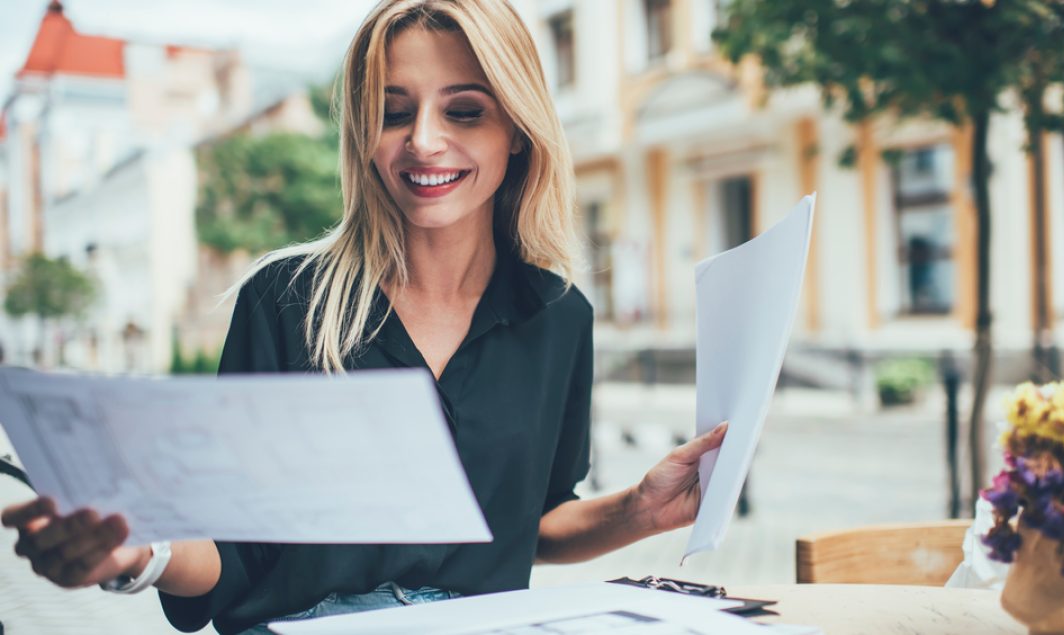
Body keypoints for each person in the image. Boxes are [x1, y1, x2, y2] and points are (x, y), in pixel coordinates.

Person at [0, 1, 728, 633]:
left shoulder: (558, 314)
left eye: (464, 110)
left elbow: (527, 522)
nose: (422, 140)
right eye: (393, 111)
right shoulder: (284, 301)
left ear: (517, 128)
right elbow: (232, 552)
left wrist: (639, 509)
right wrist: (140, 553)